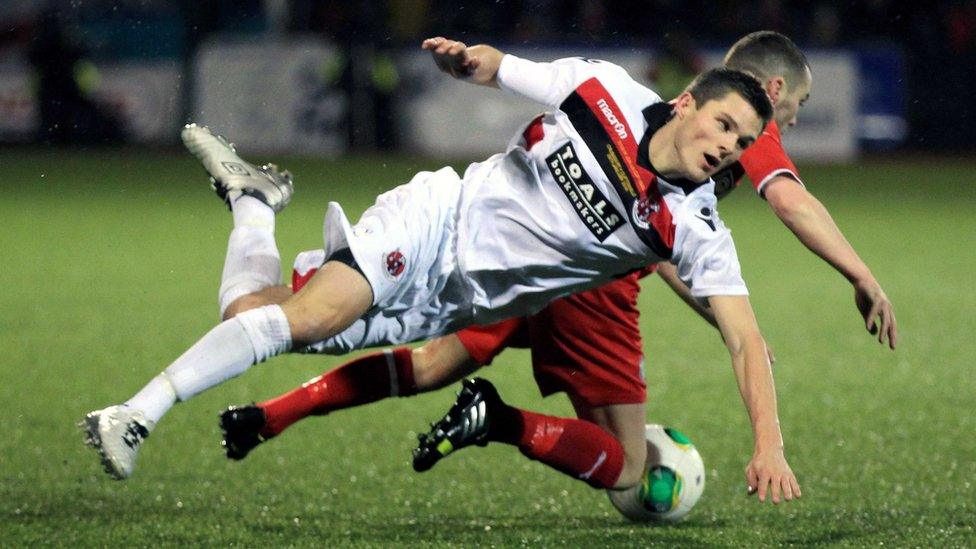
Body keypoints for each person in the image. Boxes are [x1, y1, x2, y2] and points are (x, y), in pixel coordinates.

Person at [83, 36, 789, 496]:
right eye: (725, 125)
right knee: (308, 316)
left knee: (253, 315)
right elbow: (500, 68)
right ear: (688, 102)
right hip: (433, 220)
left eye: (744, 141)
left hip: (450, 302)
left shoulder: (693, 226)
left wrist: (769, 444)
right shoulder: (602, 89)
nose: (729, 146)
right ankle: (133, 414)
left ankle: (254, 203)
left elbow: (745, 337)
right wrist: (470, 61)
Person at [218, 32, 895, 505]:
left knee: (420, 361)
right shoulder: (749, 125)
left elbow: (659, 238)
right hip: (585, 284)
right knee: (628, 463)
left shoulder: (687, 106)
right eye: (796, 107)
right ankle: (499, 421)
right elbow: (790, 200)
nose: (790, 124)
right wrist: (861, 276)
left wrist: (714, 310)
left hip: (521, 250)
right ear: (773, 89)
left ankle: (269, 410)